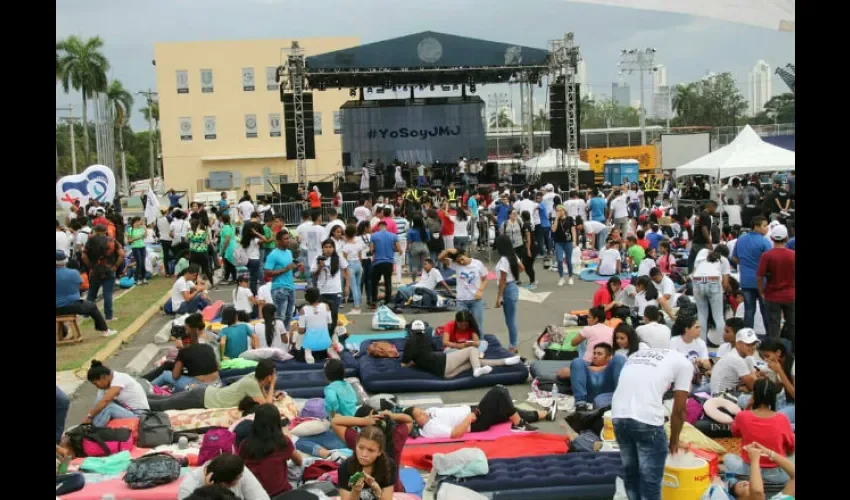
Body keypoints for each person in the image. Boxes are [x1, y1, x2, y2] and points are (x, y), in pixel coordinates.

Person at [612, 347, 693, 500]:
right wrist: (674, 440)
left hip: (618, 414)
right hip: (646, 420)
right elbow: (680, 410)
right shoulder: (685, 364)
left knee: (631, 476)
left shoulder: (636, 355)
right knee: (651, 483)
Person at [404, 385, 552, 437]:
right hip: (475, 421)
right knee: (499, 391)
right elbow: (454, 433)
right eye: (420, 415)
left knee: (506, 408)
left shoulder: (428, 413)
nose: (424, 413)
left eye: (421, 410)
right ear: (416, 423)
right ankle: (519, 424)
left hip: (472, 411)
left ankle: (545, 414)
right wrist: (470, 418)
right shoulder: (430, 429)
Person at [724, 379, 795, 485]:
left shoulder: (743, 416)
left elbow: (735, 433)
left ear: (754, 395)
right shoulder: (782, 418)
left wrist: (747, 406)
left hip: (749, 471)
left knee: (727, 458)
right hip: (778, 475)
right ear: (773, 397)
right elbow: (791, 447)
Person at [401, 320, 520, 379]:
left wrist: (414, 362)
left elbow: (404, 362)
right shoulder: (425, 339)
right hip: (443, 363)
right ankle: (477, 370)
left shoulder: (411, 343)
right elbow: (435, 350)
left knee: (472, 361)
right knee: (472, 350)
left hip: (445, 374)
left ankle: (504, 362)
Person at [149, 359, 280, 411]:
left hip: (204, 393)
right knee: (163, 404)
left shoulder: (253, 378)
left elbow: (262, 396)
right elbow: (268, 406)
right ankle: (136, 401)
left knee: (165, 400)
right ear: (268, 376)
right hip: (203, 398)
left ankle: (141, 398)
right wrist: (272, 384)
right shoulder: (251, 383)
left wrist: (268, 386)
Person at [238, 404, 302, 497]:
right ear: (277, 422)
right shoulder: (283, 442)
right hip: (280, 492)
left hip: (254, 494)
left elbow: (240, 467)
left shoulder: (245, 444)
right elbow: (299, 461)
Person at [56, 250, 117, 337]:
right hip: (72, 305)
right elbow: (81, 286)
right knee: (92, 306)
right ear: (65, 260)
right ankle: (105, 330)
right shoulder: (73, 273)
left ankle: (62, 332)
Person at [152, 313, 220, 392]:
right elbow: (217, 366)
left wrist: (182, 352)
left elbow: (175, 376)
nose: (186, 332)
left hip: (200, 388)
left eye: (187, 330)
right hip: (217, 384)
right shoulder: (208, 346)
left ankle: (146, 390)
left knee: (166, 374)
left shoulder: (185, 351)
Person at [756, 225, 795, 347]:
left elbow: (760, 276)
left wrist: (762, 291)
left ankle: (774, 353)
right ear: (787, 238)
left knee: (774, 327)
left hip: (772, 296)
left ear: (772, 238)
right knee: (793, 325)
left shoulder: (767, 256)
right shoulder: (793, 254)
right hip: (791, 295)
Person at [84, 360, 150, 426]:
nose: (96, 386)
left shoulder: (119, 379)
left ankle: (91, 430)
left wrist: (90, 416)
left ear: (103, 377)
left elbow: (105, 401)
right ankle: (88, 426)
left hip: (140, 415)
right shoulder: (108, 382)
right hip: (128, 410)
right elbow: (98, 403)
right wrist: (88, 417)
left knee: (109, 407)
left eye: (95, 383)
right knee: (101, 403)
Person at [338, 426, 397, 500]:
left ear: (379, 452)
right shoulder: (345, 467)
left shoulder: (389, 466)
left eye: (371, 450)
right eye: (360, 448)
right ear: (356, 445)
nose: (364, 454)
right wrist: (356, 490)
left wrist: (376, 488)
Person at [178, 453, 270, 500]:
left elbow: (260, 497)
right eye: (239, 477)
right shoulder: (188, 488)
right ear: (225, 484)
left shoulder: (238, 470)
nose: (242, 476)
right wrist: (209, 492)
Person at [82, 224, 125, 322]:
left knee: (91, 294)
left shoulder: (90, 241)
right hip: (109, 269)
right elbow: (122, 255)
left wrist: (91, 266)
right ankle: (109, 316)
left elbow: (83, 256)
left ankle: (86, 315)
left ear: (96, 231)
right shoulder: (112, 240)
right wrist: (115, 266)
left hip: (95, 270)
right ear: (105, 231)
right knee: (108, 294)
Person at [439, 248, 489, 331]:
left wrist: (480, 290)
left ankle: (479, 342)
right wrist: (447, 251)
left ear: (465, 254)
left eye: (462, 259)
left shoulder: (477, 264)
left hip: (476, 300)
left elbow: (485, 279)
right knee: (462, 327)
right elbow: (440, 259)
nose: (461, 262)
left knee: (478, 326)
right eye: (458, 261)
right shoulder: (455, 264)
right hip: (461, 301)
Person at [692, 245, 732, 342]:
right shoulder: (724, 260)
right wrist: (721, 294)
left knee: (701, 315)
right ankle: (723, 344)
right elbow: (725, 283)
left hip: (697, 281)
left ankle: (702, 343)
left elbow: (694, 272)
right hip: (714, 281)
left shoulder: (702, 253)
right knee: (718, 317)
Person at [569, 343, 626, 410]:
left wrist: (601, 368)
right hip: (587, 398)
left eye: (599, 354)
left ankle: (621, 399)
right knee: (577, 361)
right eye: (594, 353)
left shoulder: (612, 368)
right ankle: (580, 404)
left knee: (619, 358)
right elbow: (562, 373)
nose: (595, 356)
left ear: (608, 357)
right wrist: (580, 372)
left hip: (608, 396)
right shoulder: (584, 366)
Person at [710, 328, 761, 395]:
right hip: (720, 396)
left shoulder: (743, 356)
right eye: (748, 344)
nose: (753, 347)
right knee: (759, 398)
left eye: (754, 344)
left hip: (729, 391)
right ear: (738, 344)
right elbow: (754, 386)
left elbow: (754, 377)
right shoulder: (736, 358)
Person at [263, 230, 298, 327]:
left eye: (288, 238)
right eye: (285, 239)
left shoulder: (289, 252)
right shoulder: (273, 254)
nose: (288, 241)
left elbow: (290, 269)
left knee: (289, 316)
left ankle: (285, 337)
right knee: (280, 317)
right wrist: (285, 269)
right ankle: (279, 337)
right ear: (278, 241)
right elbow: (267, 272)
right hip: (279, 288)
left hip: (291, 287)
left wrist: (296, 267)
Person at [494, 235, 523, 352]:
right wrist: (514, 273)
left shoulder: (504, 260)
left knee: (510, 320)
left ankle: (513, 345)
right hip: (513, 286)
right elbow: (522, 268)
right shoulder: (513, 256)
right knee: (510, 319)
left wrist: (499, 297)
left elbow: (503, 280)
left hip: (507, 288)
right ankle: (513, 343)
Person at [297, 287, 336, 364]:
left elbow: (301, 331)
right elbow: (330, 324)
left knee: (299, 335)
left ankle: (308, 352)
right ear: (318, 296)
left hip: (309, 343)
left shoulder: (303, 310)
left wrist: (297, 327)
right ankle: (328, 351)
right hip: (325, 343)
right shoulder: (326, 306)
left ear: (306, 297)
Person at [370, 220, 399, 309]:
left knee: (374, 282)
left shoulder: (373, 236)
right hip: (389, 262)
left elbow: (371, 250)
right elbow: (399, 249)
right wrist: (391, 249)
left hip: (377, 262)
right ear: (386, 227)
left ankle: (374, 301)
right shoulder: (393, 236)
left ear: (379, 227)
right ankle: (388, 301)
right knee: (388, 282)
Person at [688, 200, 717, 274]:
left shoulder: (699, 215)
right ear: (711, 207)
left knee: (692, 261)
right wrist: (709, 242)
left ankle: (690, 279)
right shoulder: (706, 216)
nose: (715, 210)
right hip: (702, 243)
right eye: (715, 208)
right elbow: (704, 229)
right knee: (704, 263)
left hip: (695, 242)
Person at [552, 205, 577, 286]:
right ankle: (561, 277)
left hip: (568, 242)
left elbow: (573, 230)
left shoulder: (570, 218)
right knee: (559, 260)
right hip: (558, 242)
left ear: (564, 210)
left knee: (568, 260)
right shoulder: (555, 219)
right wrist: (556, 218)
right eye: (557, 210)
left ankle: (570, 277)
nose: (559, 212)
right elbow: (553, 229)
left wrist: (574, 241)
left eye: (560, 210)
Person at [126, 216, 148, 285]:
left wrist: (145, 228)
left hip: (142, 247)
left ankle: (143, 278)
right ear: (134, 222)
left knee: (143, 263)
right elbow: (129, 240)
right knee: (139, 263)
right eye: (138, 222)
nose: (139, 223)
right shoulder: (130, 229)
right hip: (135, 247)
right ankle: (137, 279)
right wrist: (138, 238)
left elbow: (145, 236)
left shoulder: (141, 228)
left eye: (139, 221)